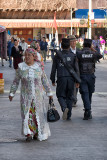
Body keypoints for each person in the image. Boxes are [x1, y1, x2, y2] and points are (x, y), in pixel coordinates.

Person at [9, 48, 53, 142]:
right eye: (26, 55)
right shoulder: (21, 67)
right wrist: (12, 93)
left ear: (34, 56)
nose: (27, 57)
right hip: (25, 97)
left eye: (29, 55)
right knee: (27, 114)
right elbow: (16, 81)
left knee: (37, 114)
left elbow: (44, 80)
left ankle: (37, 133)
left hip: (38, 97)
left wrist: (49, 93)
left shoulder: (39, 67)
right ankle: (28, 133)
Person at [50, 38, 79, 120]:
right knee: (70, 97)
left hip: (61, 78)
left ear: (61, 46)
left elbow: (53, 69)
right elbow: (76, 69)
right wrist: (77, 80)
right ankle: (68, 114)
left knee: (60, 95)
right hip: (71, 79)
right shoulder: (73, 55)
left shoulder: (57, 56)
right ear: (69, 46)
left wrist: (52, 79)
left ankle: (64, 108)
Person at [77, 39, 103, 120]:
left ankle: (87, 110)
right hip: (91, 76)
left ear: (83, 45)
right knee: (89, 93)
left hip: (82, 76)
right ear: (90, 45)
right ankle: (88, 110)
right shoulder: (93, 53)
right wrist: (93, 49)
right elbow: (100, 56)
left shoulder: (79, 53)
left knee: (85, 93)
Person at [69, 35, 80, 107]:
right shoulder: (67, 51)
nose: (73, 42)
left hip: (78, 71)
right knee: (71, 86)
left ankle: (74, 99)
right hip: (70, 72)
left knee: (76, 86)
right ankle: (73, 99)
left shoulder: (79, 50)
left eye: (74, 41)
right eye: (71, 41)